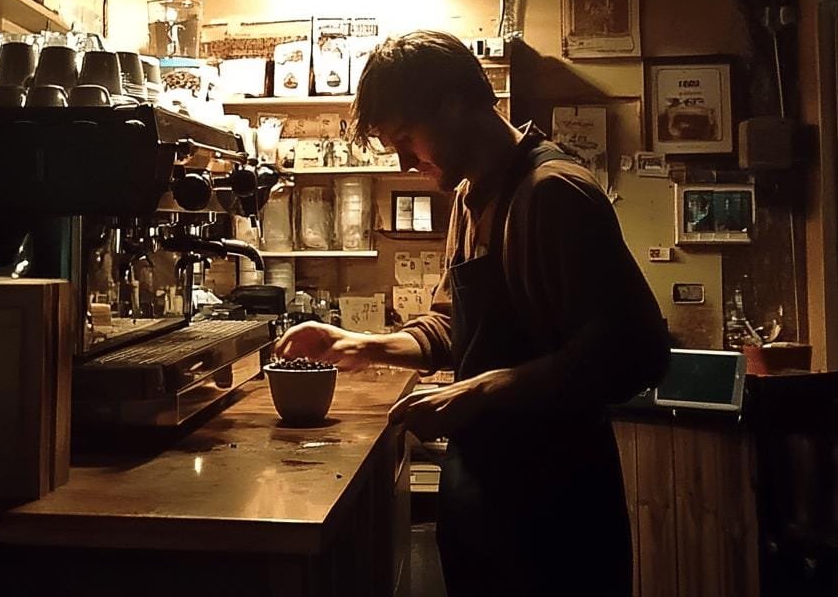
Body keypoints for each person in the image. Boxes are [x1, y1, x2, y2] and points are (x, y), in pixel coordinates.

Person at [275, 30, 670, 596]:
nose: (405, 161)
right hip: (487, 486)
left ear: (453, 105)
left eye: (406, 139)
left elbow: (635, 352)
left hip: (556, 508)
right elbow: (455, 325)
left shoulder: (552, 192)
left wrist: (480, 392)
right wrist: (363, 345)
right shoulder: (469, 195)